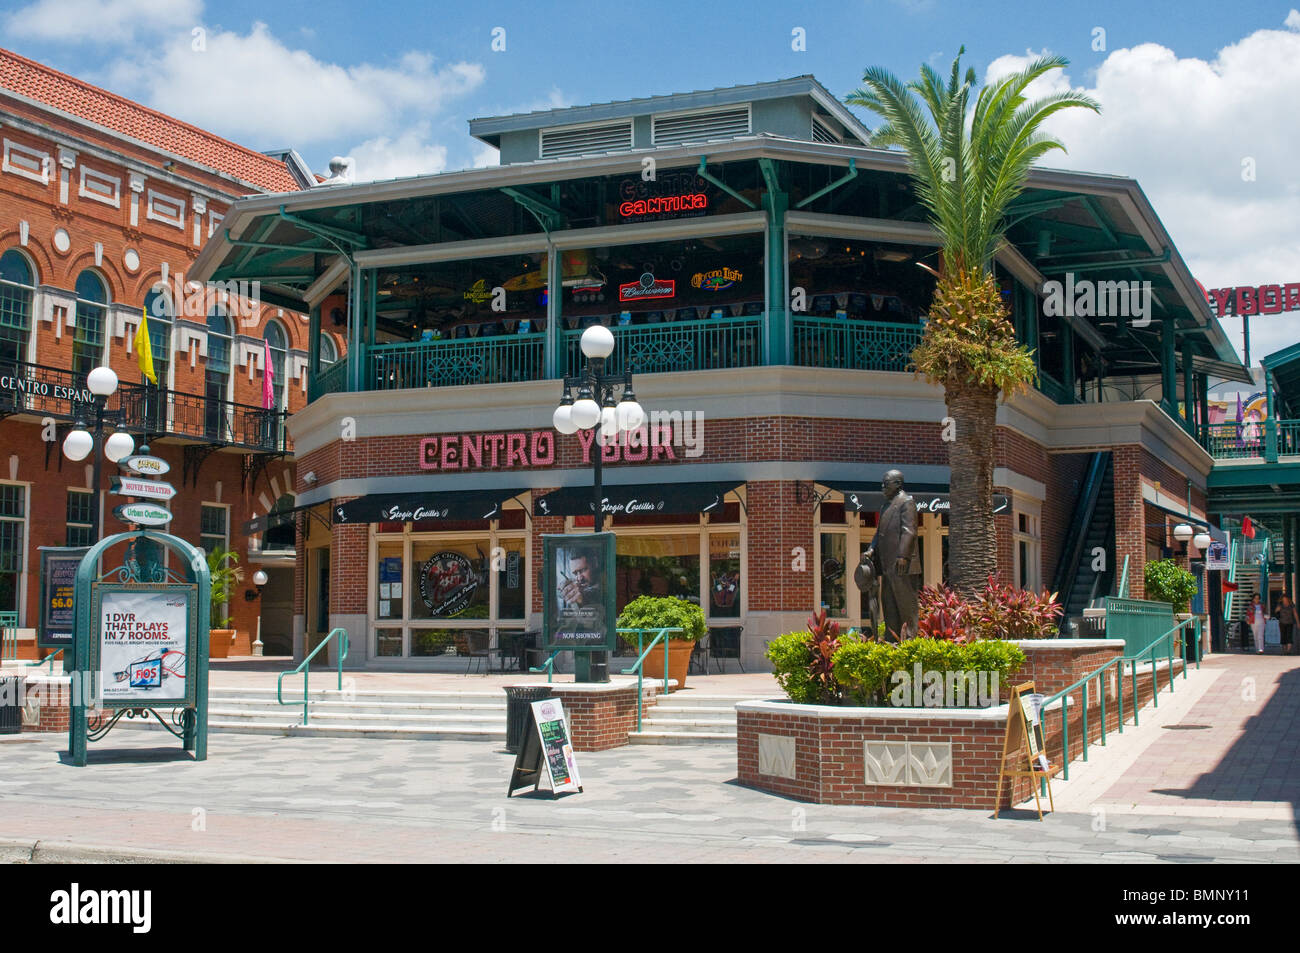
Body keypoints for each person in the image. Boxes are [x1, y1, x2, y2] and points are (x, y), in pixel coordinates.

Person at [863, 469, 921, 641]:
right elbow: (879, 533)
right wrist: (872, 549)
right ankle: (891, 639)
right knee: (889, 604)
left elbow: (909, 531)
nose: (882, 487)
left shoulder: (907, 502)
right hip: (887, 566)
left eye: (886, 483)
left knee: (905, 605)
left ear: (897, 484)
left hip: (902, 565)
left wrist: (903, 555)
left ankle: (909, 640)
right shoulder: (885, 506)